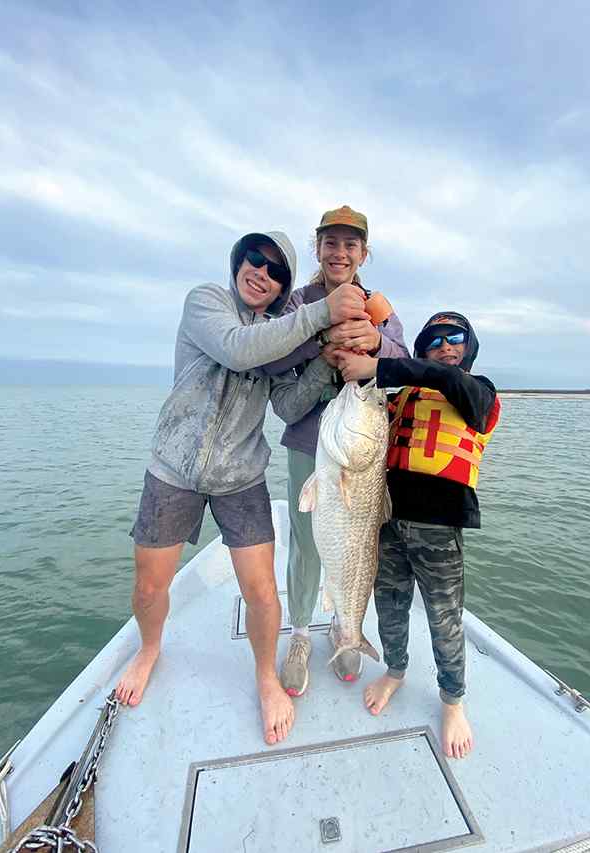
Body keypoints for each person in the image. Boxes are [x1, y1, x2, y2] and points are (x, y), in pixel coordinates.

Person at [115, 230, 370, 746]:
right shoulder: (206, 301)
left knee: (260, 591)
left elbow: (289, 406)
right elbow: (236, 350)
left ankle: (265, 678)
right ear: (238, 262)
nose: (263, 272)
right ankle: (149, 649)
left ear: (282, 288)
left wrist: (326, 361)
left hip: (242, 477)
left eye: (277, 271)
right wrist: (321, 317)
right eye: (256, 260)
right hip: (174, 470)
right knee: (148, 587)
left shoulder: (280, 332)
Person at [337, 311, 500, 759]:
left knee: (443, 620)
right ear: (423, 348)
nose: (447, 347)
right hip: (385, 523)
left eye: (456, 339)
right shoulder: (400, 398)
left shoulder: (480, 393)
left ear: (469, 348)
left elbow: (435, 376)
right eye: (435, 341)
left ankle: (452, 701)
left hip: (440, 530)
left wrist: (385, 365)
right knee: (389, 607)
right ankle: (395, 670)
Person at [263, 206, 408, 697]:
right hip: (312, 445)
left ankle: (347, 633)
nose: (339, 252)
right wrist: (322, 344)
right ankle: (301, 634)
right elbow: (273, 353)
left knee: (359, 544)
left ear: (364, 253)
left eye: (350, 244)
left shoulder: (379, 308)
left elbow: (405, 362)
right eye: (330, 242)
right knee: (305, 544)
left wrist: (376, 343)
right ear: (317, 248)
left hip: (363, 451)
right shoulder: (296, 303)